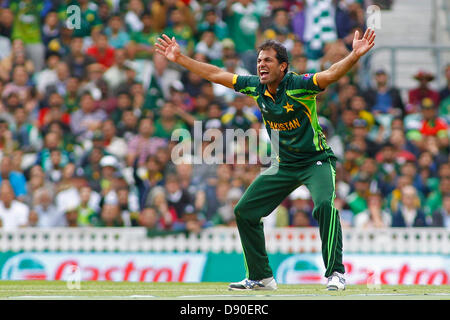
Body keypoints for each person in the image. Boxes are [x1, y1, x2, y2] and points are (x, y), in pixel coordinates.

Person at [156, 27, 376, 291]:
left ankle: (336, 273)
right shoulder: (256, 88)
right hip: (282, 165)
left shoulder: (298, 85)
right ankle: (261, 277)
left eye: (268, 60)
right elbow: (216, 74)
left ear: (283, 66)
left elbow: (330, 74)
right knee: (244, 212)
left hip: (315, 161)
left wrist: (354, 55)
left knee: (324, 207)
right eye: (259, 60)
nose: (261, 64)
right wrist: (181, 59)